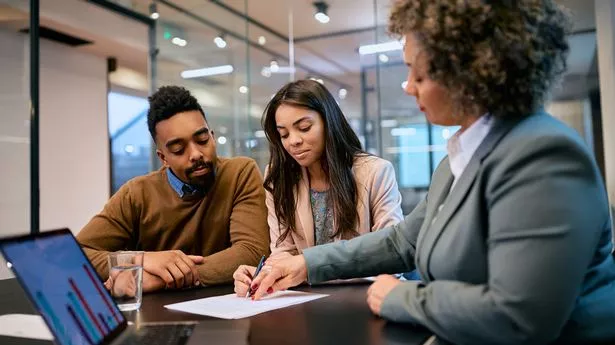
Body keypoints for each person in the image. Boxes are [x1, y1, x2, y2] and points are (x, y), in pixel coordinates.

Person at [241, 1, 615, 344]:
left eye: (419, 75)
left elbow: (520, 315)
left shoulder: (544, 155)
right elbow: (404, 241)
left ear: (471, 72)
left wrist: (403, 296)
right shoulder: (460, 157)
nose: (408, 87)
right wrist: (306, 263)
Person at [77, 86, 269, 293]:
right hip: (158, 317)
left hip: (230, 312)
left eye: (202, 140)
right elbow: (76, 256)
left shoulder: (240, 173)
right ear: (163, 158)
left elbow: (251, 251)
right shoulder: (136, 194)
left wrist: (156, 280)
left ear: (212, 137)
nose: (195, 154)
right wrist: (141, 261)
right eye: (178, 149)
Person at [233, 80, 404, 295]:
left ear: (328, 122)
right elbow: (283, 252)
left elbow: (390, 257)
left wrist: (309, 269)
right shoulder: (278, 178)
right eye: (283, 134)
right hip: (305, 302)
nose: (293, 141)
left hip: (365, 298)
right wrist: (267, 272)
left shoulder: (376, 172)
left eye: (304, 128)